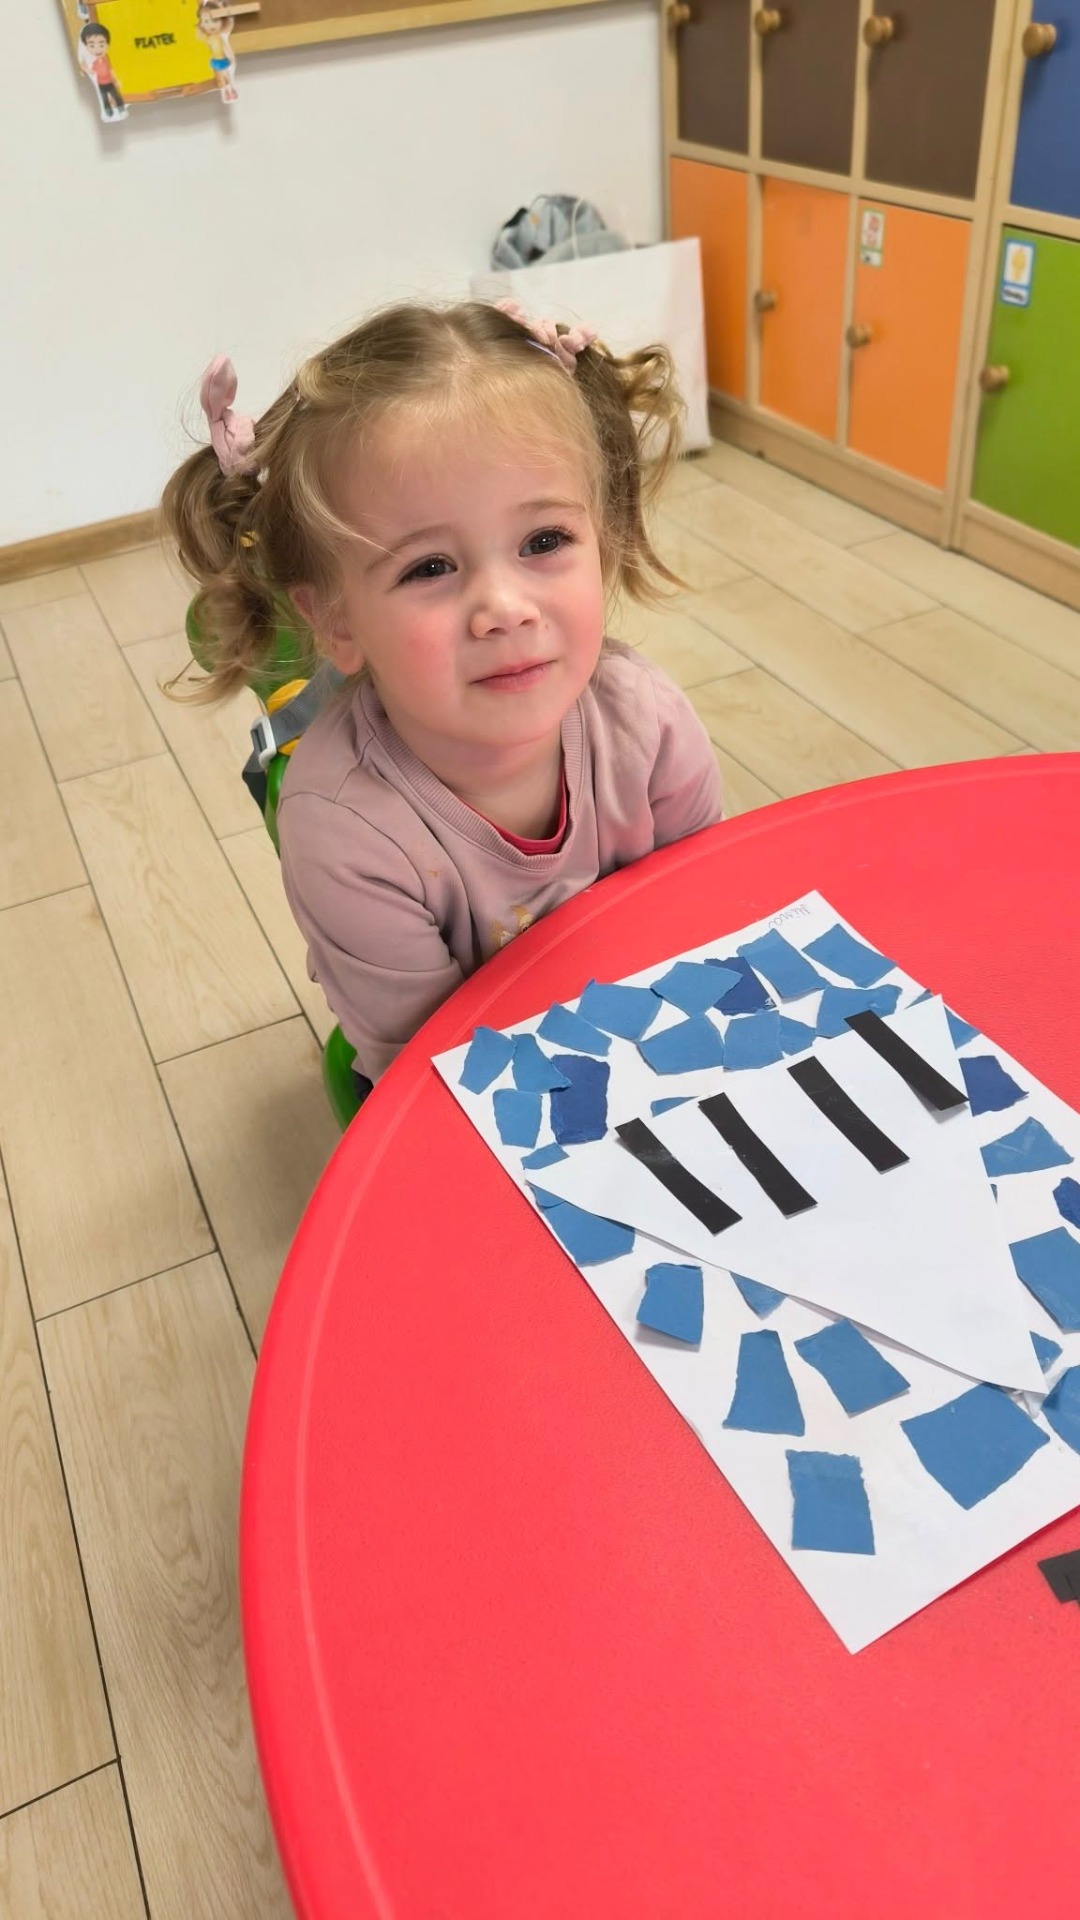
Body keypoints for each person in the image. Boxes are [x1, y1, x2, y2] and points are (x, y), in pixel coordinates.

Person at [163, 301, 724, 1091]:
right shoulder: (344, 830)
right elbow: (428, 1083)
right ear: (336, 621)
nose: (505, 608)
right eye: (429, 567)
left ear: (604, 540)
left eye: (545, 541)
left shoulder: (647, 719)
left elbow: (708, 926)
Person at [79, 22, 127, 121]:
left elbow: (111, 70)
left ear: (107, 45)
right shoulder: (94, 63)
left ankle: (121, 108)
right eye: (92, 46)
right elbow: (91, 72)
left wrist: (116, 80)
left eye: (101, 45)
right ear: (86, 47)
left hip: (110, 82)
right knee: (104, 98)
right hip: (101, 84)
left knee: (116, 96)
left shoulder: (107, 59)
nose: (97, 50)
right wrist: (84, 67)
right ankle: (108, 111)